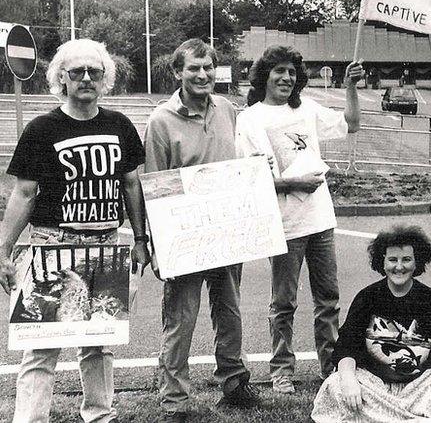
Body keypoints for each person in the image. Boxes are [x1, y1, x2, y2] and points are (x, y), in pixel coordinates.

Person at [0, 39, 150, 423]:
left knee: (98, 344)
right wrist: (3, 249)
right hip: (52, 245)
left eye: (94, 72)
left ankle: (100, 414)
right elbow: (24, 191)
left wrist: (139, 238)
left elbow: (132, 185)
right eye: (77, 71)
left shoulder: (119, 125)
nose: (86, 78)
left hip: (105, 244)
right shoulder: (42, 128)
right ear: (61, 78)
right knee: (40, 348)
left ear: (105, 79)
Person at [235, 46, 363, 393]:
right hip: (283, 224)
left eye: (292, 72)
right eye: (279, 71)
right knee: (283, 303)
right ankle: (281, 371)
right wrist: (292, 182)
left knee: (328, 300)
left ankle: (331, 367)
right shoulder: (250, 119)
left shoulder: (306, 109)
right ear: (265, 75)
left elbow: (352, 123)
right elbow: (250, 177)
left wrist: (350, 86)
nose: (286, 78)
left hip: (320, 220)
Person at [145, 39, 260, 422]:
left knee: (229, 311)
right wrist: (158, 245)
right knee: (181, 318)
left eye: (208, 67)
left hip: (227, 233)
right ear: (178, 72)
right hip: (184, 237)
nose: (202, 74)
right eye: (193, 68)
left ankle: (234, 383)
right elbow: (155, 186)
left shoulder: (227, 109)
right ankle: (174, 399)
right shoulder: (161, 120)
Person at [311, 225, 431, 422]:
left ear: (417, 262)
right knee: (334, 385)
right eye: (392, 259)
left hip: (419, 386)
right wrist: (349, 381)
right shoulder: (367, 297)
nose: (399, 267)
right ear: (382, 262)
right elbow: (347, 346)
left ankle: (378, 417)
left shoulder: (430, 299)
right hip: (375, 385)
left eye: (406, 259)